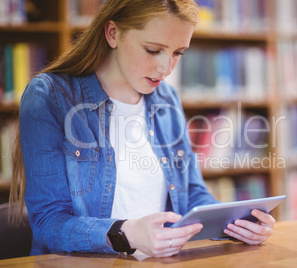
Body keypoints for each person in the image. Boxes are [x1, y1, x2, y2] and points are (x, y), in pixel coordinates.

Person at [10, 0, 275, 258]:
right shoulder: (51, 96)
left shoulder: (167, 99)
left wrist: (239, 223)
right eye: (153, 50)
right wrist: (127, 233)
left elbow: (192, 194)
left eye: (177, 53)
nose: (166, 68)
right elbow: (48, 223)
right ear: (113, 33)